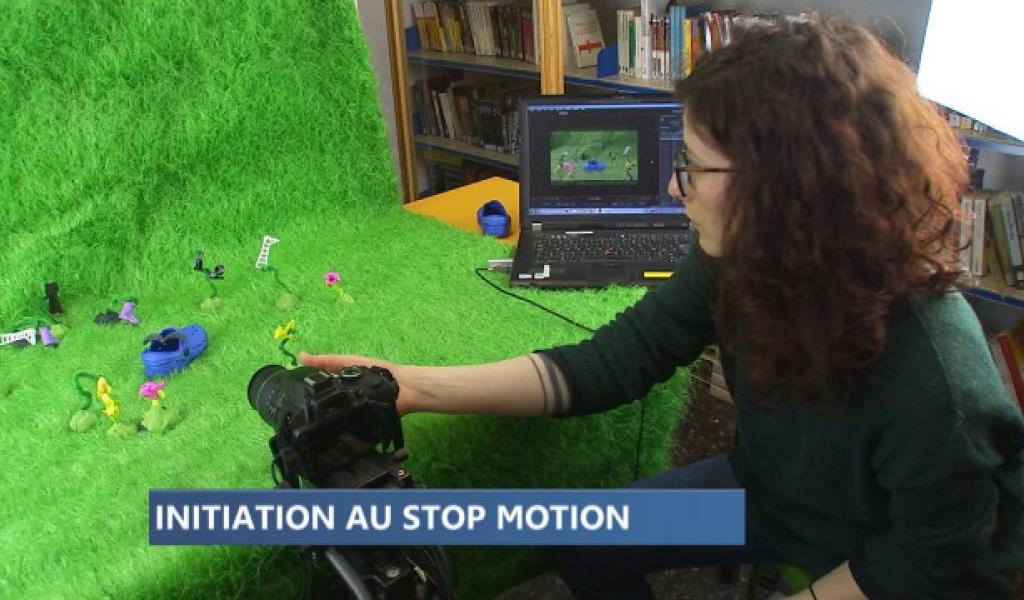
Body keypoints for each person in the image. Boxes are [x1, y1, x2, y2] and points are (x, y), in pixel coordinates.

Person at [301, 18, 1024, 600]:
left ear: (788, 187)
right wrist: (415, 386)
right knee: (586, 541)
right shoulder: (740, 259)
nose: (676, 190)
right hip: (772, 497)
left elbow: (929, 560)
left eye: (694, 168)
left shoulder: (936, 373)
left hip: (905, 561)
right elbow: (614, 362)